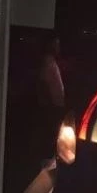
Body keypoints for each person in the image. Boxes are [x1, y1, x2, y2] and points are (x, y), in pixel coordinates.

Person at [35, 32, 65, 160]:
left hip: (56, 104)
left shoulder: (51, 61)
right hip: (52, 105)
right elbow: (43, 84)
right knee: (51, 133)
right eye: (56, 44)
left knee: (54, 133)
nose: (58, 47)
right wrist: (48, 104)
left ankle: (50, 157)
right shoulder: (47, 61)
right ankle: (47, 159)